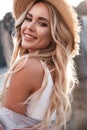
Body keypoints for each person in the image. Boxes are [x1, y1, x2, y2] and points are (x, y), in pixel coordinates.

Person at [0, 0, 80, 130]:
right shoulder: (52, 70)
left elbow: (7, 123)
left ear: (55, 33)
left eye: (42, 24)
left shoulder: (27, 65)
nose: (30, 27)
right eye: (28, 18)